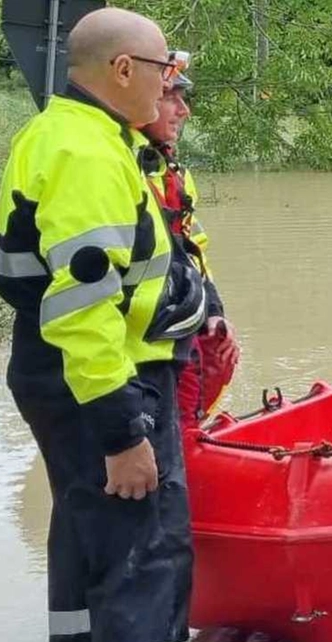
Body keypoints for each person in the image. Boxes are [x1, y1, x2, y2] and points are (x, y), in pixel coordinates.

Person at [0, 8, 202, 642]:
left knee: (86, 560)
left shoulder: (65, 134)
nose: (169, 87)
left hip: (61, 376)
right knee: (143, 571)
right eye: (163, 72)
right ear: (122, 70)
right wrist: (124, 433)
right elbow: (84, 306)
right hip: (103, 384)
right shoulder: (87, 154)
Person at [137, 62, 240, 429]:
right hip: (142, 352)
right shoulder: (120, 171)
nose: (184, 110)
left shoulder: (172, 174)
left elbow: (190, 251)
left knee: (221, 353)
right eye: (170, 97)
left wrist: (213, 311)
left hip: (175, 334)